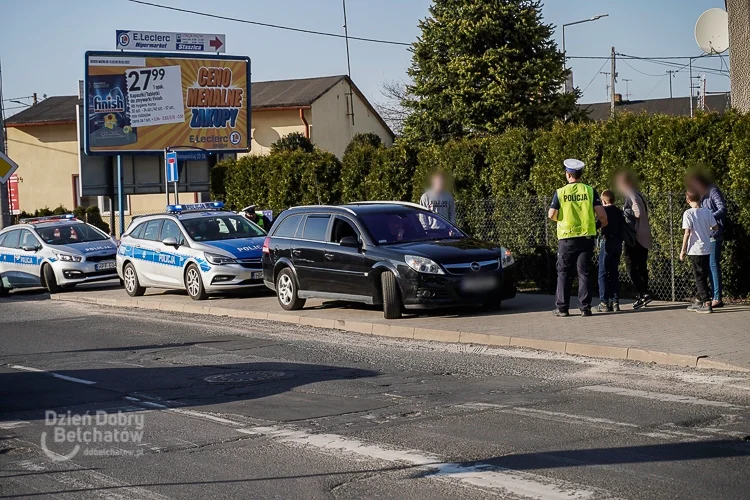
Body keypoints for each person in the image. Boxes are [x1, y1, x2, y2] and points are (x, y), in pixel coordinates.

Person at [548, 159, 608, 317]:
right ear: (580, 174)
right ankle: (585, 307)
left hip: (567, 238)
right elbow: (602, 216)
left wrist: (562, 218)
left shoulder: (560, 192)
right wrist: (596, 226)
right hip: (586, 238)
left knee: (564, 273)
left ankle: (562, 308)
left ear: (568, 174)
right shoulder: (590, 191)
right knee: (584, 273)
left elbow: (551, 214)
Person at [686, 172, 727, 308]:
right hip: (705, 236)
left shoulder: (713, 191)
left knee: (713, 265)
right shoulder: (701, 195)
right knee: (706, 268)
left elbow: (722, 208)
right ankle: (706, 296)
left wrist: (709, 219)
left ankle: (717, 298)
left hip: (714, 233)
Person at [615, 171, 652, 309]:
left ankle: (642, 294)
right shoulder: (639, 194)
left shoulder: (631, 195)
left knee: (631, 267)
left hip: (634, 237)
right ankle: (644, 294)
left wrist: (623, 213)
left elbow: (637, 212)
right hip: (644, 235)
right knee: (642, 267)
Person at [679, 191, 718, 314]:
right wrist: (707, 228)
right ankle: (700, 299)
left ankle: (706, 302)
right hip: (706, 247)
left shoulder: (688, 213)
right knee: (704, 274)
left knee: (698, 277)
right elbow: (715, 227)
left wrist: (683, 250)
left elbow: (687, 232)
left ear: (688, 200)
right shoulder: (707, 212)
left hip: (695, 249)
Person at [597, 190, 624, 312]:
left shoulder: (604, 211)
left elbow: (598, 224)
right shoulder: (619, 212)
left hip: (606, 241)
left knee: (602, 272)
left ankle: (604, 302)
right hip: (618, 242)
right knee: (613, 273)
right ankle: (615, 302)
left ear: (603, 201)